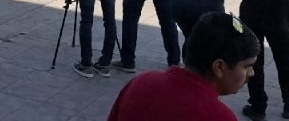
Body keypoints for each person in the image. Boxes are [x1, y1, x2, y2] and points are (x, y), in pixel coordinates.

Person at [107, 12, 259, 121]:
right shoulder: (219, 116)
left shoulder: (141, 82)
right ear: (219, 67)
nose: (251, 73)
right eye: (247, 66)